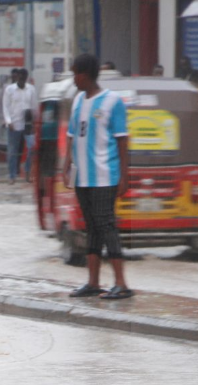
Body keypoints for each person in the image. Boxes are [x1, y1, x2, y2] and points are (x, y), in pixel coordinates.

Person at [62, 53, 133, 300]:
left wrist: (124, 176)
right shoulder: (78, 101)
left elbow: (122, 141)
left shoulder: (113, 101)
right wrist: (67, 164)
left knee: (107, 226)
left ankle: (121, 283)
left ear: (85, 74)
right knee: (91, 227)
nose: (73, 80)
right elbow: (72, 135)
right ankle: (93, 282)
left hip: (105, 177)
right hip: (83, 178)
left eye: (75, 74)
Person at [2, 67, 37, 183]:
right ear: (17, 77)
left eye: (23, 78)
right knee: (12, 151)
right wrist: (8, 121)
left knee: (31, 148)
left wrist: (34, 122)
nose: (21, 80)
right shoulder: (9, 89)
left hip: (27, 125)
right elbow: (5, 106)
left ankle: (27, 172)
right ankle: (12, 176)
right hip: (14, 125)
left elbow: (34, 107)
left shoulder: (31, 89)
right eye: (19, 78)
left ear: (26, 78)